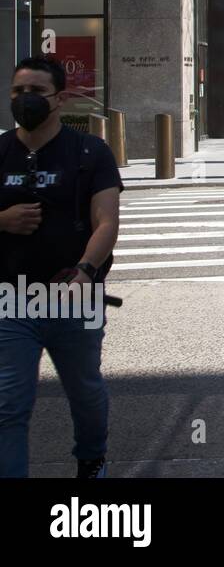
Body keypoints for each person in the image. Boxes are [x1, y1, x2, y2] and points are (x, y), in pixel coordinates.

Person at [0, 57, 123, 478]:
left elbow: (106, 221)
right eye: (18, 92)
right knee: (8, 403)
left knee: (84, 392)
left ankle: (92, 459)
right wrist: (2, 221)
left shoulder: (89, 151)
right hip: (11, 299)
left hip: (74, 296)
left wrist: (85, 270)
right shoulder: (0, 151)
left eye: (36, 92)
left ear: (60, 99)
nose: (25, 100)